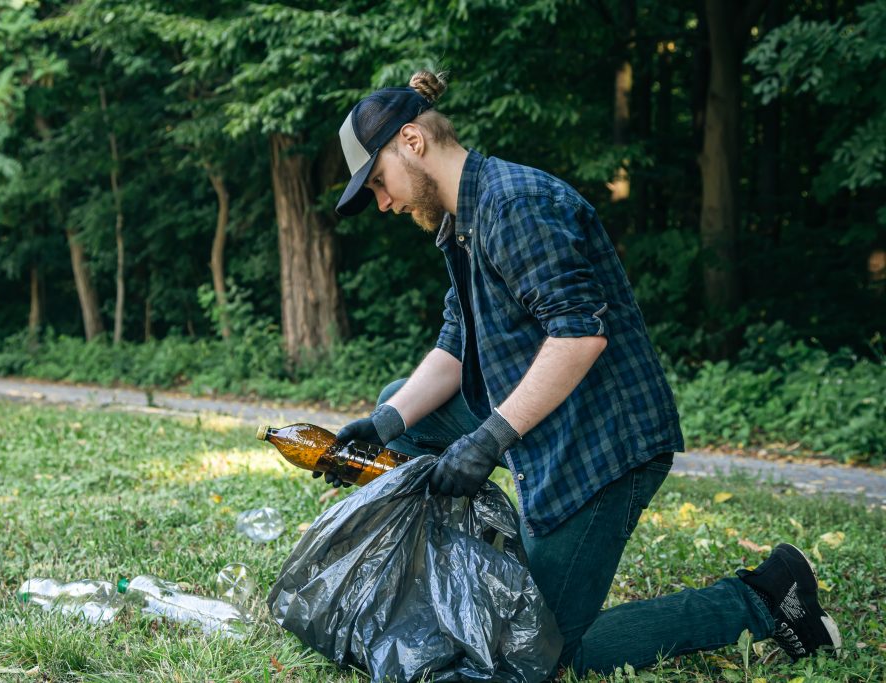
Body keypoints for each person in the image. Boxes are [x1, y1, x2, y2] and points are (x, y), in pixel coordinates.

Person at [321, 69, 842, 676]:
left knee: (543, 654)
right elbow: (456, 345)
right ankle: (481, 576)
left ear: (412, 141)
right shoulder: (460, 223)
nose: (383, 203)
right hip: (542, 425)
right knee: (401, 410)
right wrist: (383, 422)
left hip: (598, 445)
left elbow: (579, 335)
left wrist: (486, 440)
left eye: (378, 183)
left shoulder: (515, 205)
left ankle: (762, 597)